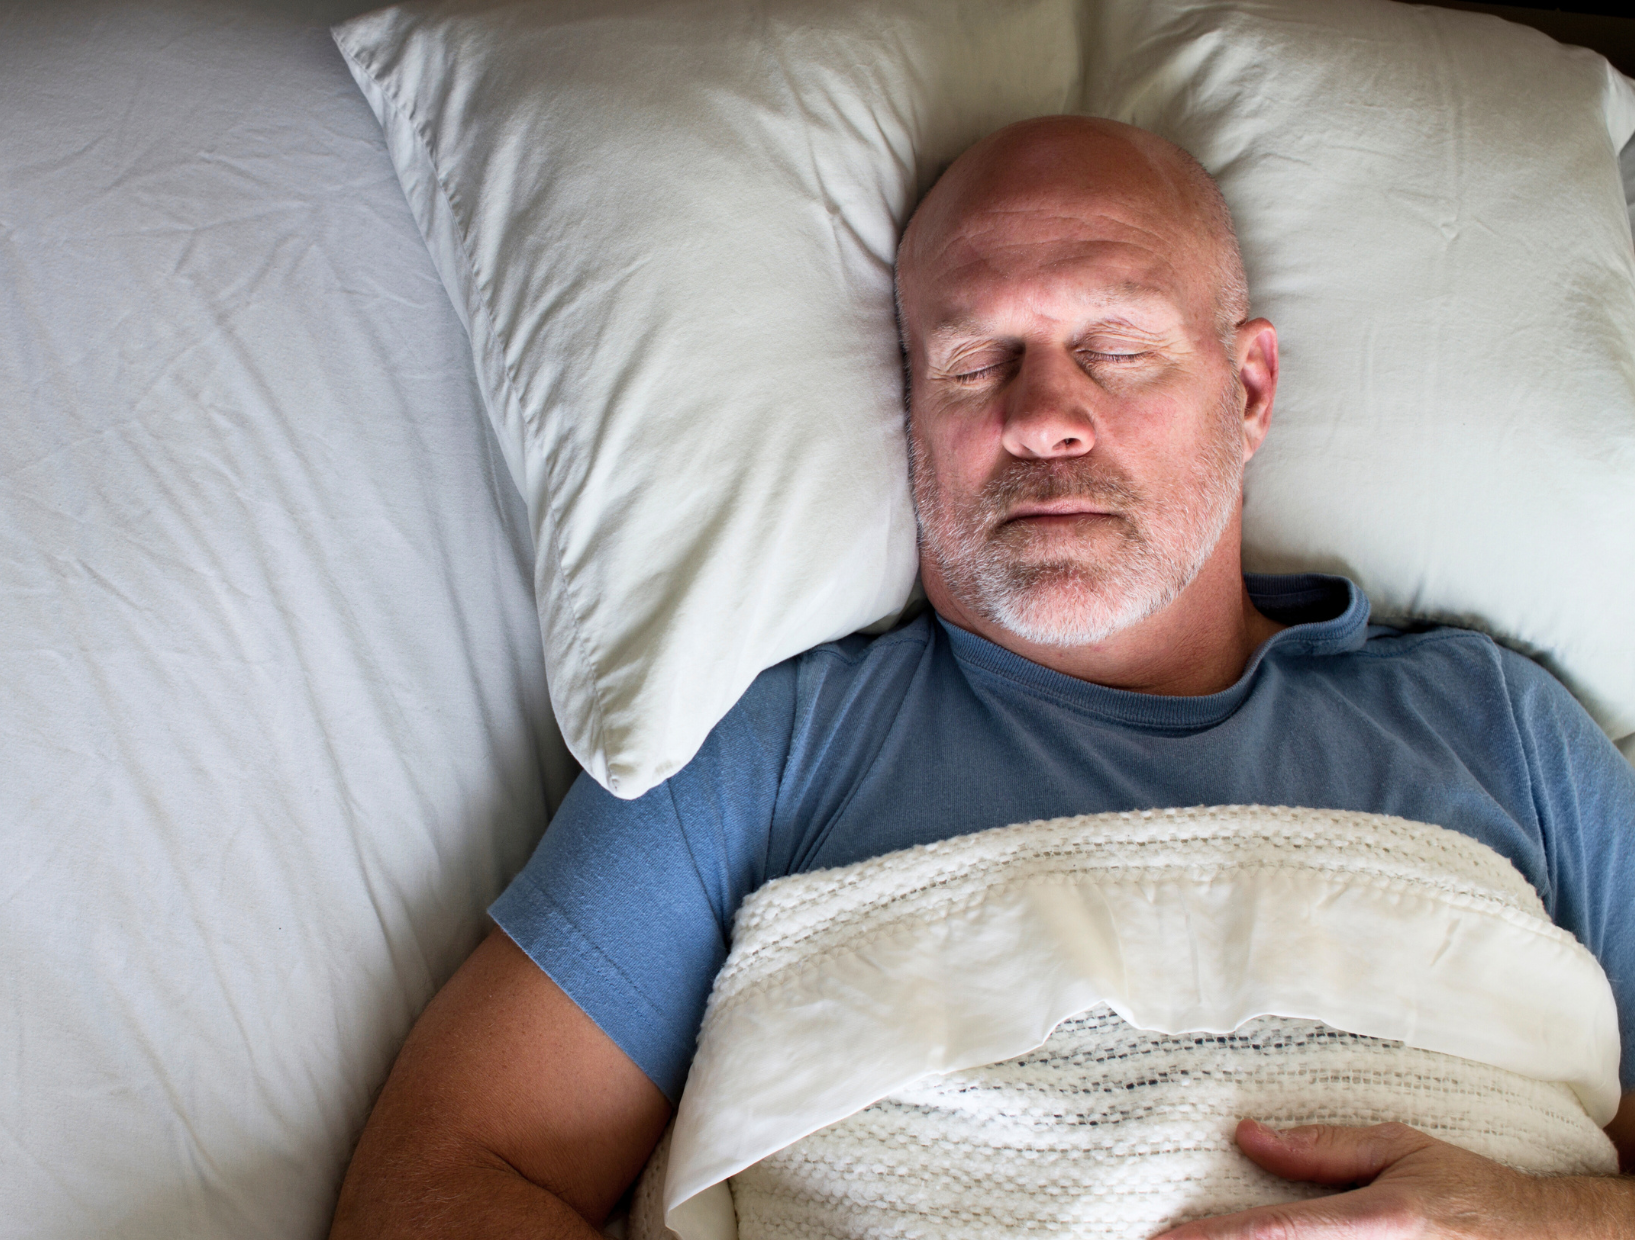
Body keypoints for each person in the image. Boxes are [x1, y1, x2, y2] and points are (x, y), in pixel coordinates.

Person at [328, 116, 1635, 1238]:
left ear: (1249, 390)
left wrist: (1545, 1219)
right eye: (975, 360)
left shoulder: (1502, 730)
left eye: (1114, 348)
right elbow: (440, 1176)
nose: (1040, 416)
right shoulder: (771, 750)